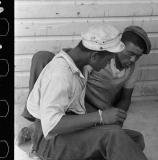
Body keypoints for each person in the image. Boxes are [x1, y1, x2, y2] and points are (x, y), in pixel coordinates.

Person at [20, 24, 148, 160]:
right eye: (109, 58)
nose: (110, 63)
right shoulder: (59, 75)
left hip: (66, 131)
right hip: (48, 141)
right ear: (94, 55)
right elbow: (52, 125)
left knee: (135, 139)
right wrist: (100, 117)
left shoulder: (80, 66)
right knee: (114, 136)